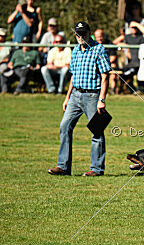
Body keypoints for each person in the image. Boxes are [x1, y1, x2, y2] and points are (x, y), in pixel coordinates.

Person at [48, 21, 111, 177]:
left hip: (92, 95)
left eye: (83, 33)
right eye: (78, 34)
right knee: (64, 126)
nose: (81, 36)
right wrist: (67, 98)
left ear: (89, 32)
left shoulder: (99, 49)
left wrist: (101, 99)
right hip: (75, 95)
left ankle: (96, 169)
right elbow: (73, 76)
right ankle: (63, 166)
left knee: (97, 131)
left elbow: (105, 75)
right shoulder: (75, 50)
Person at [94, 29, 118, 94]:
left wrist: (103, 64)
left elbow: (113, 57)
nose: (99, 39)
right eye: (97, 37)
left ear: (103, 36)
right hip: (96, 65)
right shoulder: (93, 45)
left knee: (113, 66)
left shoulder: (110, 44)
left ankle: (113, 90)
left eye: (100, 36)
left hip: (108, 64)